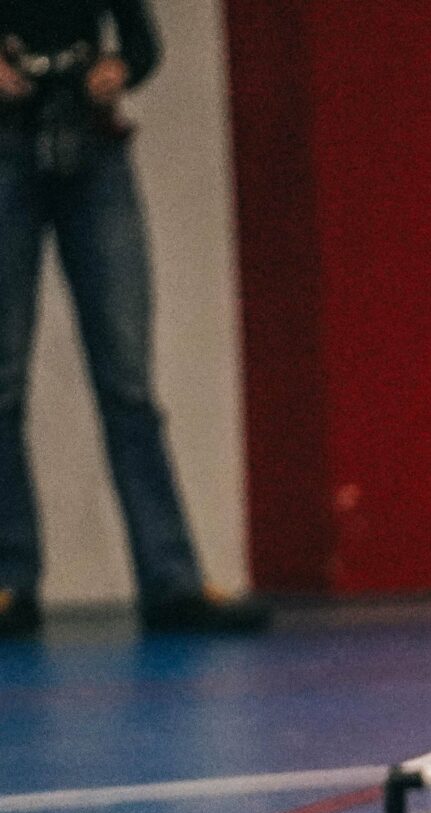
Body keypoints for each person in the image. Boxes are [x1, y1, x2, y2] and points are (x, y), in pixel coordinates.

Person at [0, 0, 267, 637]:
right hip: (6, 150)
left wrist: (118, 68)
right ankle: (10, 579)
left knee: (128, 384)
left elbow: (141, 41)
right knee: (2, 381)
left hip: (94, 149)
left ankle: (170, 578)